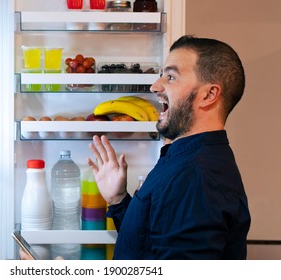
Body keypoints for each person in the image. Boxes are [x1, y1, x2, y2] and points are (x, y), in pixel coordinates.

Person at [87, 35, 251, 260]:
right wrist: (118, 200)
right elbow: (151, 243)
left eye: (171, 77)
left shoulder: (195, 177)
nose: (155, 86)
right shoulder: (186, 160)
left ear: (209, 95)